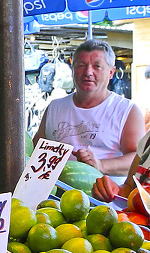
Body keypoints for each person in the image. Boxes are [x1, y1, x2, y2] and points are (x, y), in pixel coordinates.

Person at [33, 39, 143, 185]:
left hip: (108, 203)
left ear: (111, 72)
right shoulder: (55, 107)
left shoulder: (126, 110)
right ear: (72, 69)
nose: (88, 72)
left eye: (97, 66)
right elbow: (35, 152)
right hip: (57, 199)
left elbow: (137, 159)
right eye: (81, 65)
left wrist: (101, 165)